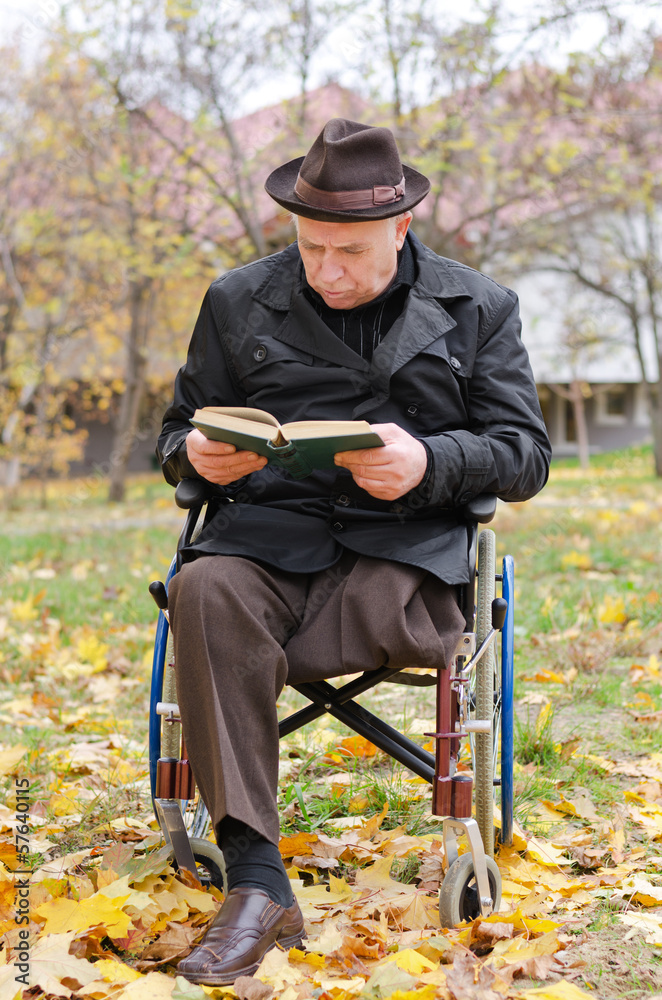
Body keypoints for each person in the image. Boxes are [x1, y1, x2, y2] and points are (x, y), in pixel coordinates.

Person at [157, 118, 551, 985]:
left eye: (349, 251)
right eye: (310, 248)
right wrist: (193, 452)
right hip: (264, 546)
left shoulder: (478, 306)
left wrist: (430, 460)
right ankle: (257, 881)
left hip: (402, 562)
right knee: (206, 591)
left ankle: (239, 676)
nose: (327, 270)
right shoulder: (236, 300)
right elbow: (174, 432)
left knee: (242, 631)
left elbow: (526, 457)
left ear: (401, 228)